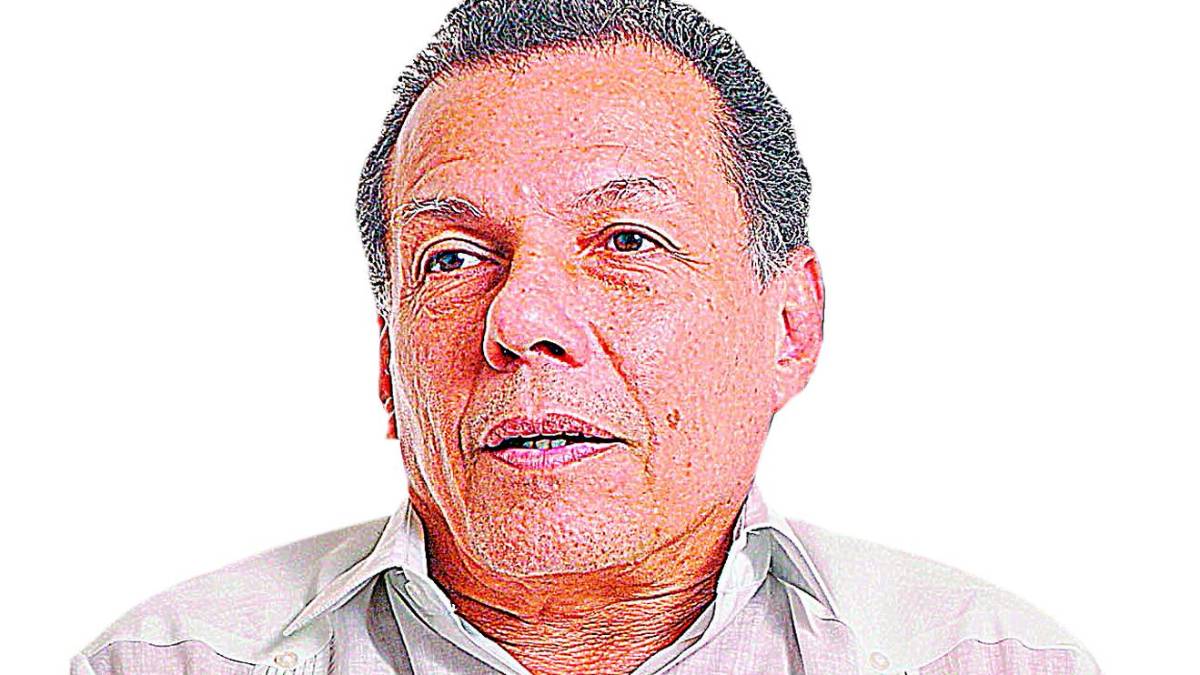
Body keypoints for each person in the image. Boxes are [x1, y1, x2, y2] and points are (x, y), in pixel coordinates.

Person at [72, 0, 1102, 673]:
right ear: (388, 360)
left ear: (790, 325)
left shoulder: (987, 661)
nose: (521, 320)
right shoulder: (170, 663)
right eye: (453, 259)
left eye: (626, 240)